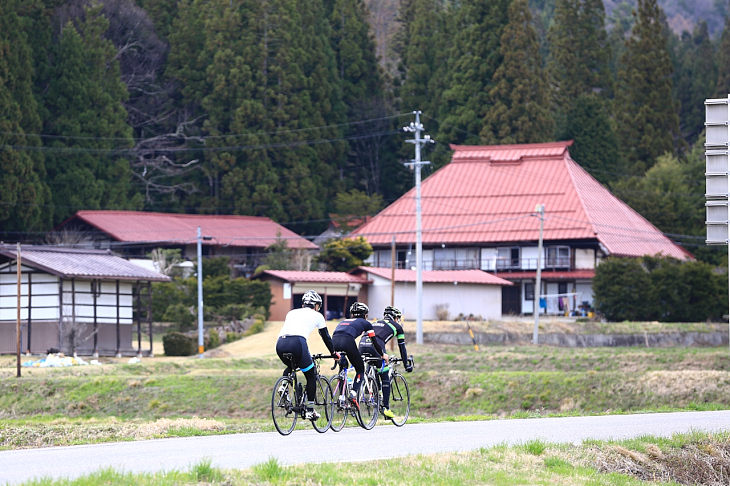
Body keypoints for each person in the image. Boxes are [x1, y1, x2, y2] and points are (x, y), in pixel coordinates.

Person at [276, 290, 336, 421]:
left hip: (280, 343)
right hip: (297, 343)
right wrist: (333, 353)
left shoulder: (291, 312)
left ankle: (284, 385)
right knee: (311, 374)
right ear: (315, 305)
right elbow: (325, 336)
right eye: (318, 306)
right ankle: (310, 410)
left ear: (304, 304)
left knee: (292, 365)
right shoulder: (318, 315)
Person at [359, 305, 413, 418]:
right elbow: (402, 348)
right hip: (376, 347)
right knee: (385, 377)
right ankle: (386, 408)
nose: (398, 320)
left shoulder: (375, 323)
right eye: (398, 318)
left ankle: (373, 387)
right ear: (395, 317)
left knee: (372, 362)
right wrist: (406, 364)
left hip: (362, 345)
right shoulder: (397, 326)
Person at [332, 302, 386, 410]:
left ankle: (341, 397)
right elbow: (375, 342)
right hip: (347, 341)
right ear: (365, 315)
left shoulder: (344, 321)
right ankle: (353, 394)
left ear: (352, 315)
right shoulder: (366, 324)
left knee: (343, 367)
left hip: (333, 341)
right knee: (360, 369)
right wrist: (382, 354)